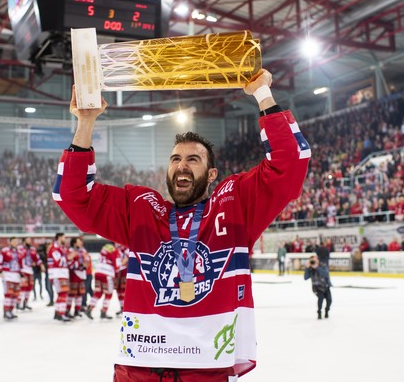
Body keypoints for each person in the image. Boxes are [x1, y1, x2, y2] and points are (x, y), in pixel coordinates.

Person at [53, 69, 310, 380]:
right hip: (138, 371)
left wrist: (262, 94)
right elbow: (72, 195)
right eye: (175, 159)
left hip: (205, 372)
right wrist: (86, 122)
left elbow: (290, 162)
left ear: (211, 174)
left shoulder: (234, 205)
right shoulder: (142, 209)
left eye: (193, 159)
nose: (182, 165)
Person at [85, 243, 118, 320]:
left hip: (98, 272)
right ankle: (104, 311)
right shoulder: (115, 250)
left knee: (98, 292)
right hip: (107, 273)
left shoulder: (104, 248)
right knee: (108, 293)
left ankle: (89, 309)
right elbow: (117, 264)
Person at [47, 233, 72, 322]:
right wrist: (69, 258)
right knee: (62, 293)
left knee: (62, 293)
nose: (65, 239)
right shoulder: (54, 248)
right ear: (59, 237)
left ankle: (58, 313)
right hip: (57, 274)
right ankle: (61, 313)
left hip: (62, 274)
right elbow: (59, 262)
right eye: (64, 237)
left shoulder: (62, 248)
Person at [0, 237, 22, 320]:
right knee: (8, 294)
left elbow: (21, 264)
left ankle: (11, 310)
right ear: (10, 242)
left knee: (15, 295)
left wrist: (21, 275)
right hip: (8, 275)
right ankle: (6, 311)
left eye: (17, 241)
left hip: (16, 275)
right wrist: (0, 271)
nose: (16, 242)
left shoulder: (19, 251)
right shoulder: (4, 250)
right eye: (14, 241)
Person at [304, 255, 332, 320]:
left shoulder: (323, 265)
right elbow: (305, 278)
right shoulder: (310, 269)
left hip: (326, 286)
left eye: (314, 259)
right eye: (312, 260)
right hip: (317, 287)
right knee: (320, 299)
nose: (313, 261)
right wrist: (307, 268)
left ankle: (327, 310)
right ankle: (319, 312)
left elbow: (325, 274)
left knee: (329, 300)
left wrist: (317, 267)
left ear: (317, 259)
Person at [19, 237, 43, 311]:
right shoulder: (19, 249)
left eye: (30, 240)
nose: (29, 241)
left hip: (30, 270)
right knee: (23, 287)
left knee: (29, 287)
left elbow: (37, 258)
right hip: (23, 270)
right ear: (23, 241)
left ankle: (25, 303)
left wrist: (40, 265)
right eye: (28, 240)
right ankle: (19, 303)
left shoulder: (32, 249)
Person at [67, 236, 88, 318]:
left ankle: (77, 310)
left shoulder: (83, 251)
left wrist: (85, 264)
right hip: (74, 274)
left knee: (80, 293)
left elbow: (87, 259)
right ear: (74, 243)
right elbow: (69, 263)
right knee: (72, 293)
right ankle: (67, 310)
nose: (81, 243)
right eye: (79, 241)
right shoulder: (70, 251)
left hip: (82, 274)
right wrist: (80, 265)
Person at [114, 243, 130, 316]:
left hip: (124, 271)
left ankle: (126, 309)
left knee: (124, 290)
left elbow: (124, 261)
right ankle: (122, 308)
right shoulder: (116, 249)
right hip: (118, 272)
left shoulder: (126, 249)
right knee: (119, 291)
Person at [81, 246, 93, 311]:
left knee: (85, 289)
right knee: (89, 289)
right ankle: (94, 301)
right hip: (87, 274)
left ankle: (84, 304)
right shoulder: (87, 256)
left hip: (87, 275)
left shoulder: (86, 256)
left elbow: (86, 265)